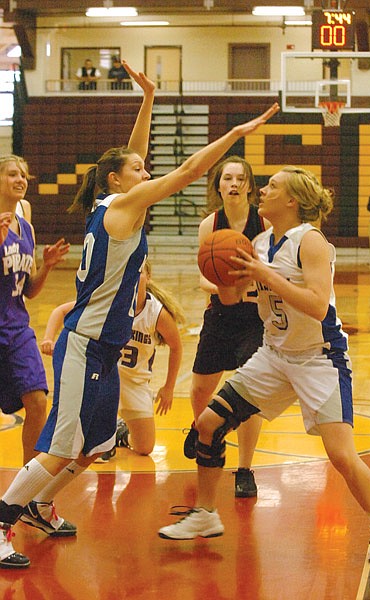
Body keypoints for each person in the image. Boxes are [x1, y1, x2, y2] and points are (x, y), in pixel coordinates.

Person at [0, 59, 279, 568]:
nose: (146, 172)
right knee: (63, 447)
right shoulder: (121, 210)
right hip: (84, 342)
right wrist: (235, 133)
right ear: (117, 179)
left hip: (105, 349)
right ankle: (2, 521)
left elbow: (136, 154)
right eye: (138, 170)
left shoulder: (116, 202)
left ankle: (39, 505)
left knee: (96, 446)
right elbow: (191, 171)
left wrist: (148, 98)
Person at [158, 166, 370, 566]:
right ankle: (205, 514)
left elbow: (318, 305)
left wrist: (264, 274)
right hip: (274, 354)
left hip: (319, 358)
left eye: (271, 187)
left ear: (292, 201)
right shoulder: (260, 242)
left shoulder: (312, 242)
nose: (262, 191)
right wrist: (224, 276)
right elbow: (234, 301)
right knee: (207, 423)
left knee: (340, 454)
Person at [183, 155, 268, 498]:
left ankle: (245, 469)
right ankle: (200, 427)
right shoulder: (210, 225)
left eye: (239, 178)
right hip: (219, 314)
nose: (233, 184)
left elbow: (267, 274)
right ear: (218, 185)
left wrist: (248, 287)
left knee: (250, 395)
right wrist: (227, 285)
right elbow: (204, 278)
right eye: (227, 178)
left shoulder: (263, 224)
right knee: (199, 390)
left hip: (254, 318)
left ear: (249, 185)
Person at [40, 260, 185, 459]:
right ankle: (99, 435)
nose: (135, 278)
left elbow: (176, 347)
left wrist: (168, 387)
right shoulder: (110, 301)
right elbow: (61, 311)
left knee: (145, 448)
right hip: (104, 378)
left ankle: (120, 433)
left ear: (148, 277)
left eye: (140, 273)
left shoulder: (157, 313)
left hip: (136, 384)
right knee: (96, 452)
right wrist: (48, 338)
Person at [0, 154, 70, 467]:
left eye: (24, 175)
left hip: (16, 328)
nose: (21, 180)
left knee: (38, 402)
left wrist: (47, 266)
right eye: (13, 174)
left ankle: (27, 488)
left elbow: (29, 290)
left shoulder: (25, 225)